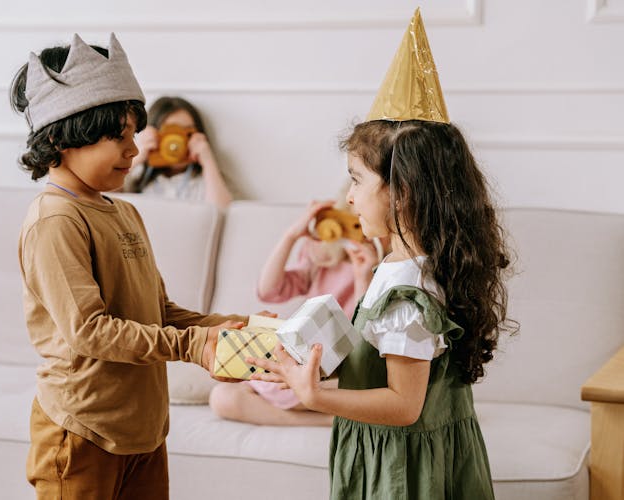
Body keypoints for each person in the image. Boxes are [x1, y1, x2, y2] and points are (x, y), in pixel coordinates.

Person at [247, 9, 514, 499]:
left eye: (356, 180)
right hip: (409, 456)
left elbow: (403, 405)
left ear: (402, 191)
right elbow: (382, 360)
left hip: (400, 470)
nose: (347, 197)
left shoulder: (408, 295)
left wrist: (315, 396)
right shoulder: (408, 263)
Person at [10, 33, 247, 500]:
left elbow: (155, 310)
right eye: (117, 137)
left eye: (133, 135)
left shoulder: (125, 211)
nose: (134, 150)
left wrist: (230, 328)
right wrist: (194, 345)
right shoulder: (55, 221)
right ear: (61, 137)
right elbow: (91, 332)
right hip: (82, 433)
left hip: (142, 430)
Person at [209, 194, 386, 426]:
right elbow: (268, 290)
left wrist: (364, 278)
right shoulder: (324, 255)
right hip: (307, 363)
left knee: (366, 386)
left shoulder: (388, 269)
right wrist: (291, 236)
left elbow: (363, 343)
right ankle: (332, 420)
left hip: (344, 370)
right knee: (222, 397)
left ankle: (331, 408)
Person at [122, 96, 233, 208]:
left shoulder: (205, 181)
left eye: (188, 134)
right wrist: (137, 157)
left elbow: (223, 213)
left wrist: (208, 161)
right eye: (171, 133)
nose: (177, 144)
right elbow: (108, 197)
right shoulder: (138, 176)